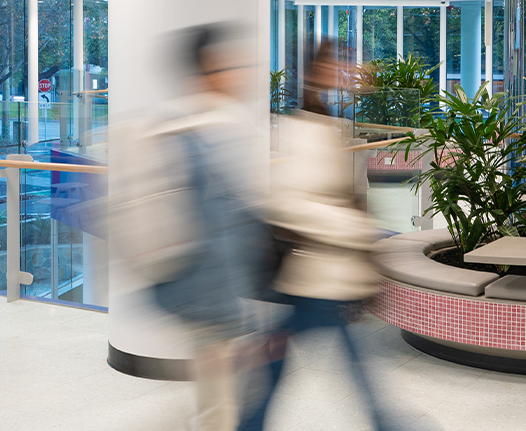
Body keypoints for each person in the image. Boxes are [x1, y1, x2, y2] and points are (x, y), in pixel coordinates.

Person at [111, 23, 267, 430]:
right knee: (219, 402)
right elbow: (222, 226)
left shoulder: (191, 124)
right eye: (234, 65)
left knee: (217, 394)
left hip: (206, 291)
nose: (243, 74)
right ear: (210, 68)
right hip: (209, 292)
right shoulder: (213, 132)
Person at [239, 42, 389, 430]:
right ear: (314, 70)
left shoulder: (328, 120)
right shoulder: (304, 126)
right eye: (338, 64)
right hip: (315, 271)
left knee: (302, 362)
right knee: (354, 369)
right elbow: (290, 204)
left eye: (347, 65)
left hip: (324, 275)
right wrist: (355, 230)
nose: (346, 72)